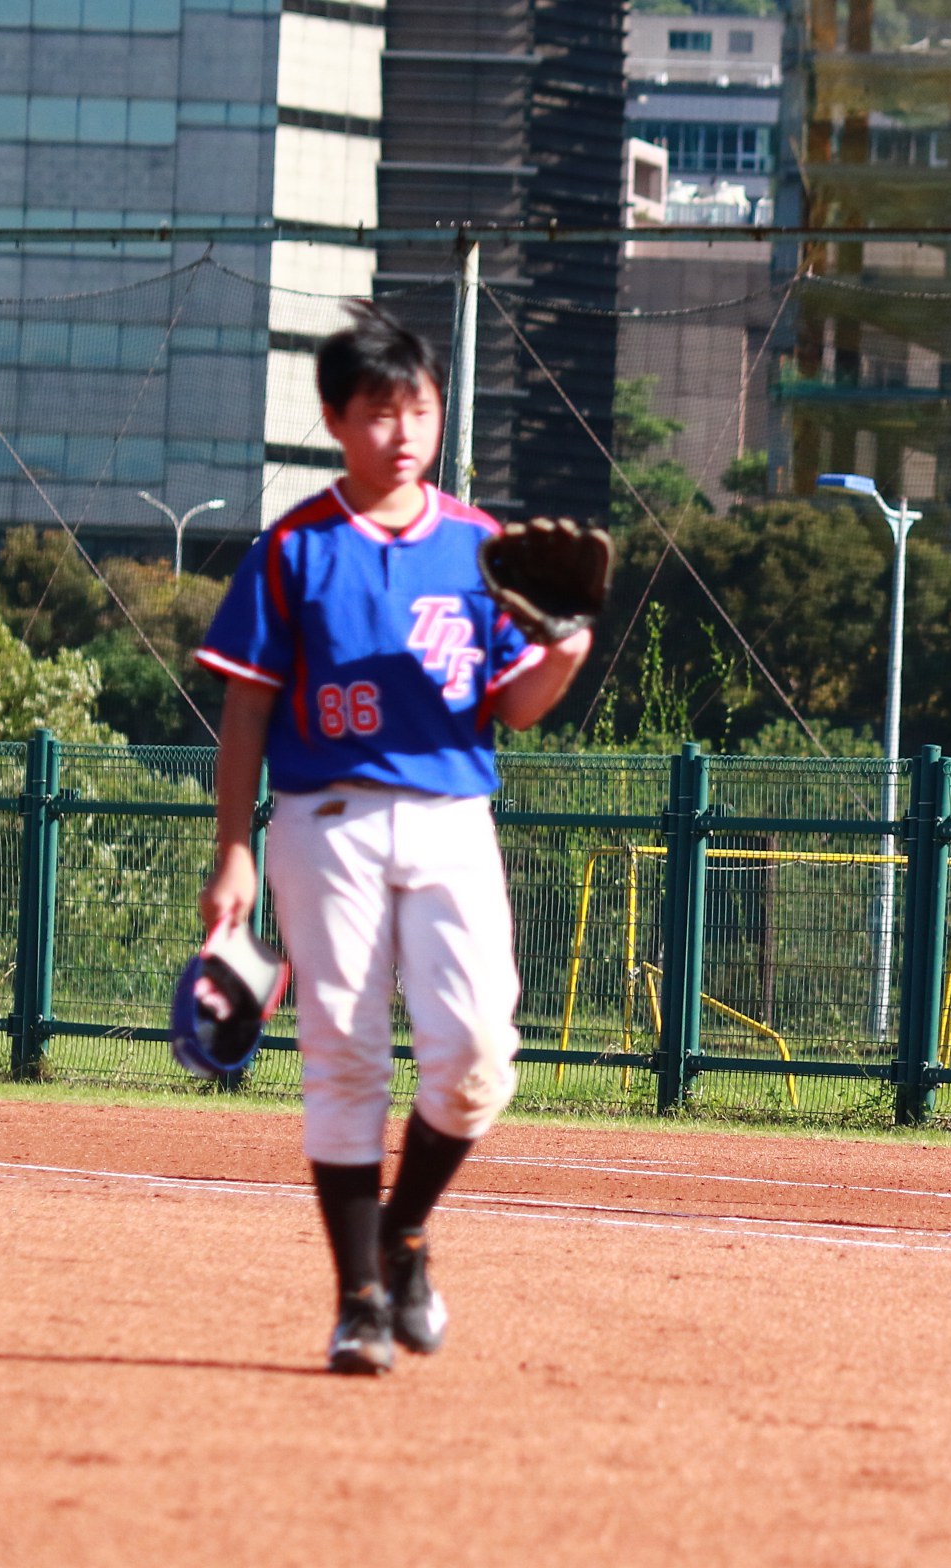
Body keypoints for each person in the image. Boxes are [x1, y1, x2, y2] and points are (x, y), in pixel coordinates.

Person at [193, 302, 594, 1373]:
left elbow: (516, 706)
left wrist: (567, 647)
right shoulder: (296, 546)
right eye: (377, 412)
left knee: (477, 1053)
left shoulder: (478, 545)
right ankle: (358, 1300)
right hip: (324, 822)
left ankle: (403, 1230)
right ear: (335, 421)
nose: (402, 431)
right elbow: (246, 706)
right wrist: (234, 849)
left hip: (453, 819)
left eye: (417, 408)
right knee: (344, 1058)